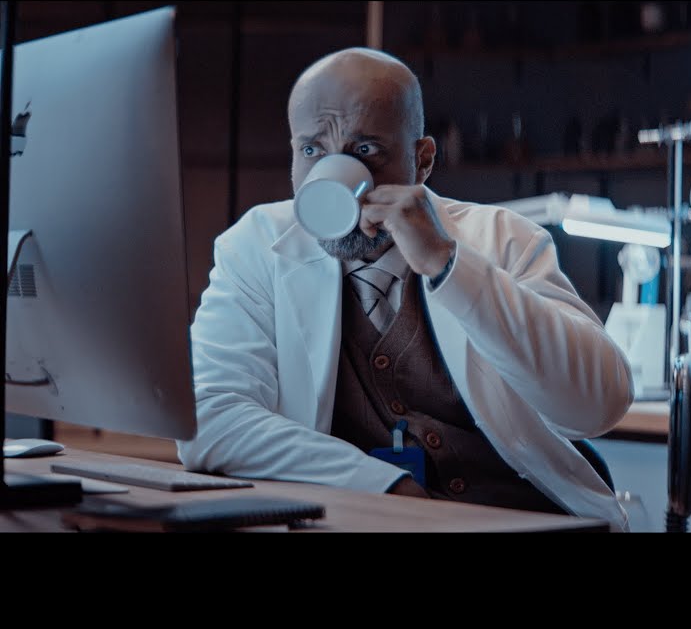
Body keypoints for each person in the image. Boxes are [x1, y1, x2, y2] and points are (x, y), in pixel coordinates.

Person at [177, 48, 634, 530]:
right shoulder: (255, 246)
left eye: (365, 152)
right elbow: (207, 419)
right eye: (312, 151)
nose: (331, 175)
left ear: (423, 159)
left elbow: (598, 406)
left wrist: (448, 265)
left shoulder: (504, 238)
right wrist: (381, 485)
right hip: (370, 521)